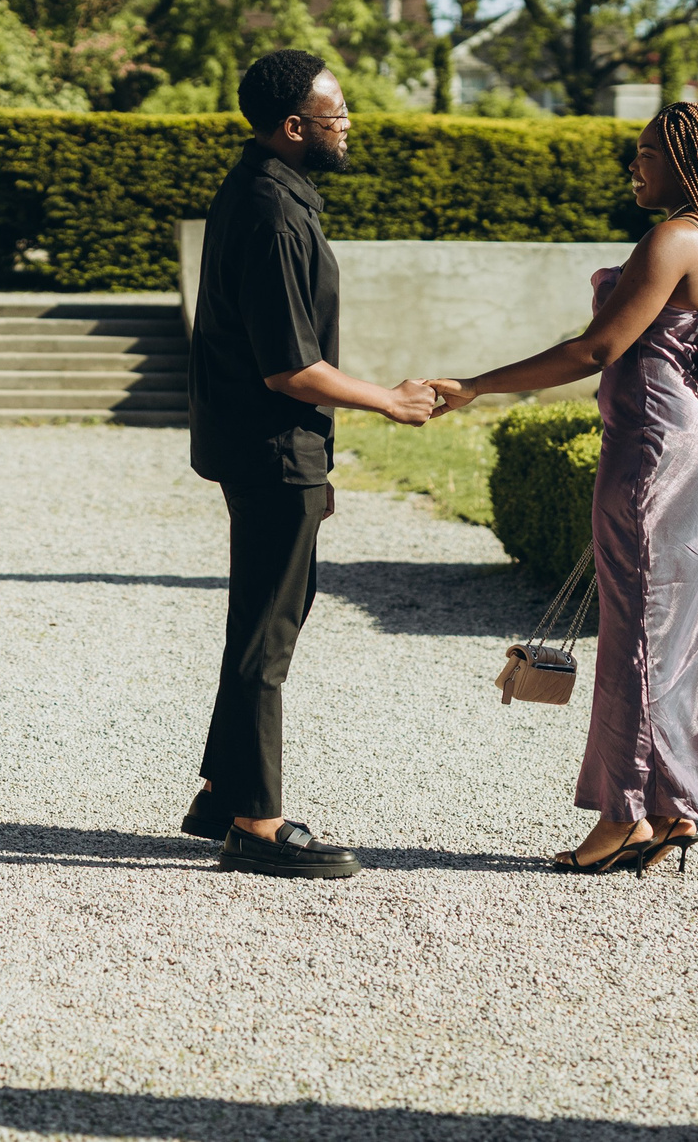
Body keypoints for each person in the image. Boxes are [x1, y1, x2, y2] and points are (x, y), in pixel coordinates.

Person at [430, 101, 698, 875]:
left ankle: (624, 816)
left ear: (686, 162)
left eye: (648, 152)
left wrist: (478, 385)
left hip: (656, 455)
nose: (635, 163)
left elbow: (598, 347)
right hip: (690, 451)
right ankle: (668, 808)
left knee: (639, 639)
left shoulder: (674, 237)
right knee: (673, 636)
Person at [181, 49, 440, 881]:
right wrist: (389, 401)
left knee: (265, 613)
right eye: (336, 114)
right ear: (294, 127)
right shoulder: (274, 212)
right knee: (270, 631)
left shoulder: (262, 190)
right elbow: (289, 367)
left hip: (259, 444)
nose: (348, 122)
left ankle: (224, 791)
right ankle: (257, 823)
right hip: (272, 446)